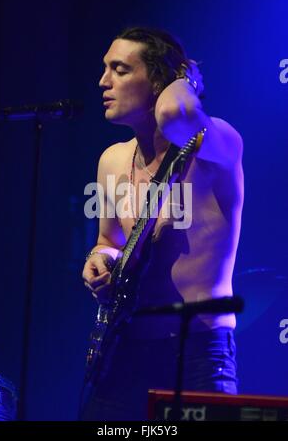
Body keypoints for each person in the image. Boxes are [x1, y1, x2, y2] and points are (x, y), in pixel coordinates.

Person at [81, 27, 244, 421]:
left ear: (157, 81)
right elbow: (108, 239)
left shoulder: (214, 142)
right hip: (128, 346)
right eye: (105, 69)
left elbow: (175, 115)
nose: (104, 81)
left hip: (199, 347)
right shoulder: (112, 160)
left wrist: (184, 77)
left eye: (119, 69)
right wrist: (99, 260)